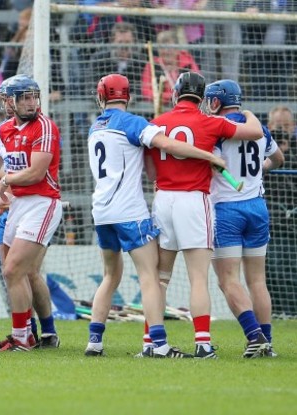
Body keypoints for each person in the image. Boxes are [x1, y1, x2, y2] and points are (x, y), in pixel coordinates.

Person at [86, 74, 225, 358]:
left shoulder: (94, 126)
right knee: (151, 277)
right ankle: (158, 346)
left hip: (101, 213)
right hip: (130, 213)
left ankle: (94, 342)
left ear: (101, 97)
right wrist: (208, 157)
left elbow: (147, 164)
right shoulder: (134, 124)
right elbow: (169, 146)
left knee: (110, 276)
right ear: (129, 96)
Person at [145, 71, 264, 359]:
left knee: (160, 279)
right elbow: (255, 131)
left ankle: (152, 342)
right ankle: (202, 343)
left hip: (163, 200)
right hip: (194, 200)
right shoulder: (211, 121)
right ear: (202, 98)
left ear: (175, 93)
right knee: (198, 277)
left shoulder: (156, 123)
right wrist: (247, 112)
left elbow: (149, 173)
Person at [0, 75, 61, 349]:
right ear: (9, 102)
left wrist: (5, 179)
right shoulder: (2, 130)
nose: (31, 103)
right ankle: (42, 333)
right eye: (24, 98)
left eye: (33, 97)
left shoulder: (45, 127)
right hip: (18, 204)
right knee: (24, 273)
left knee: (13, 269)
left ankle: (23, 337)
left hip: (42, 203)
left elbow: (35, 173)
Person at [205, 79, 284, 358]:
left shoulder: (215, 129)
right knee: (257, 280)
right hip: (257, 207)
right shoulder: (258, 128)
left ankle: (255, 337)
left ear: (216, 102)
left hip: (227, 209)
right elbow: (279, 159)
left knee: (228, 279)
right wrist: (260, 169)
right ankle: (268, 344)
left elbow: (211, 164)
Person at [88, 22, 146, 102]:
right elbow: (90, 87)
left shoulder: (141, 61)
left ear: (134, 43)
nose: (124, 46)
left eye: (127, 42)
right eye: (120, 42)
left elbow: (142, 89)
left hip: (132, 108)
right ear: (112, 42)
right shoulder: (99, 60)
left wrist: (131, 98)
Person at [141, 30, 200, 105]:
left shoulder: (188, 61)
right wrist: (170, 97)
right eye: (162, 48)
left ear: (177, 48)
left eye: (169, 48)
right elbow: (146, 92)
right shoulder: (151, 65)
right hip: (160, 107)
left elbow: (196, 88)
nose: (166, 52)